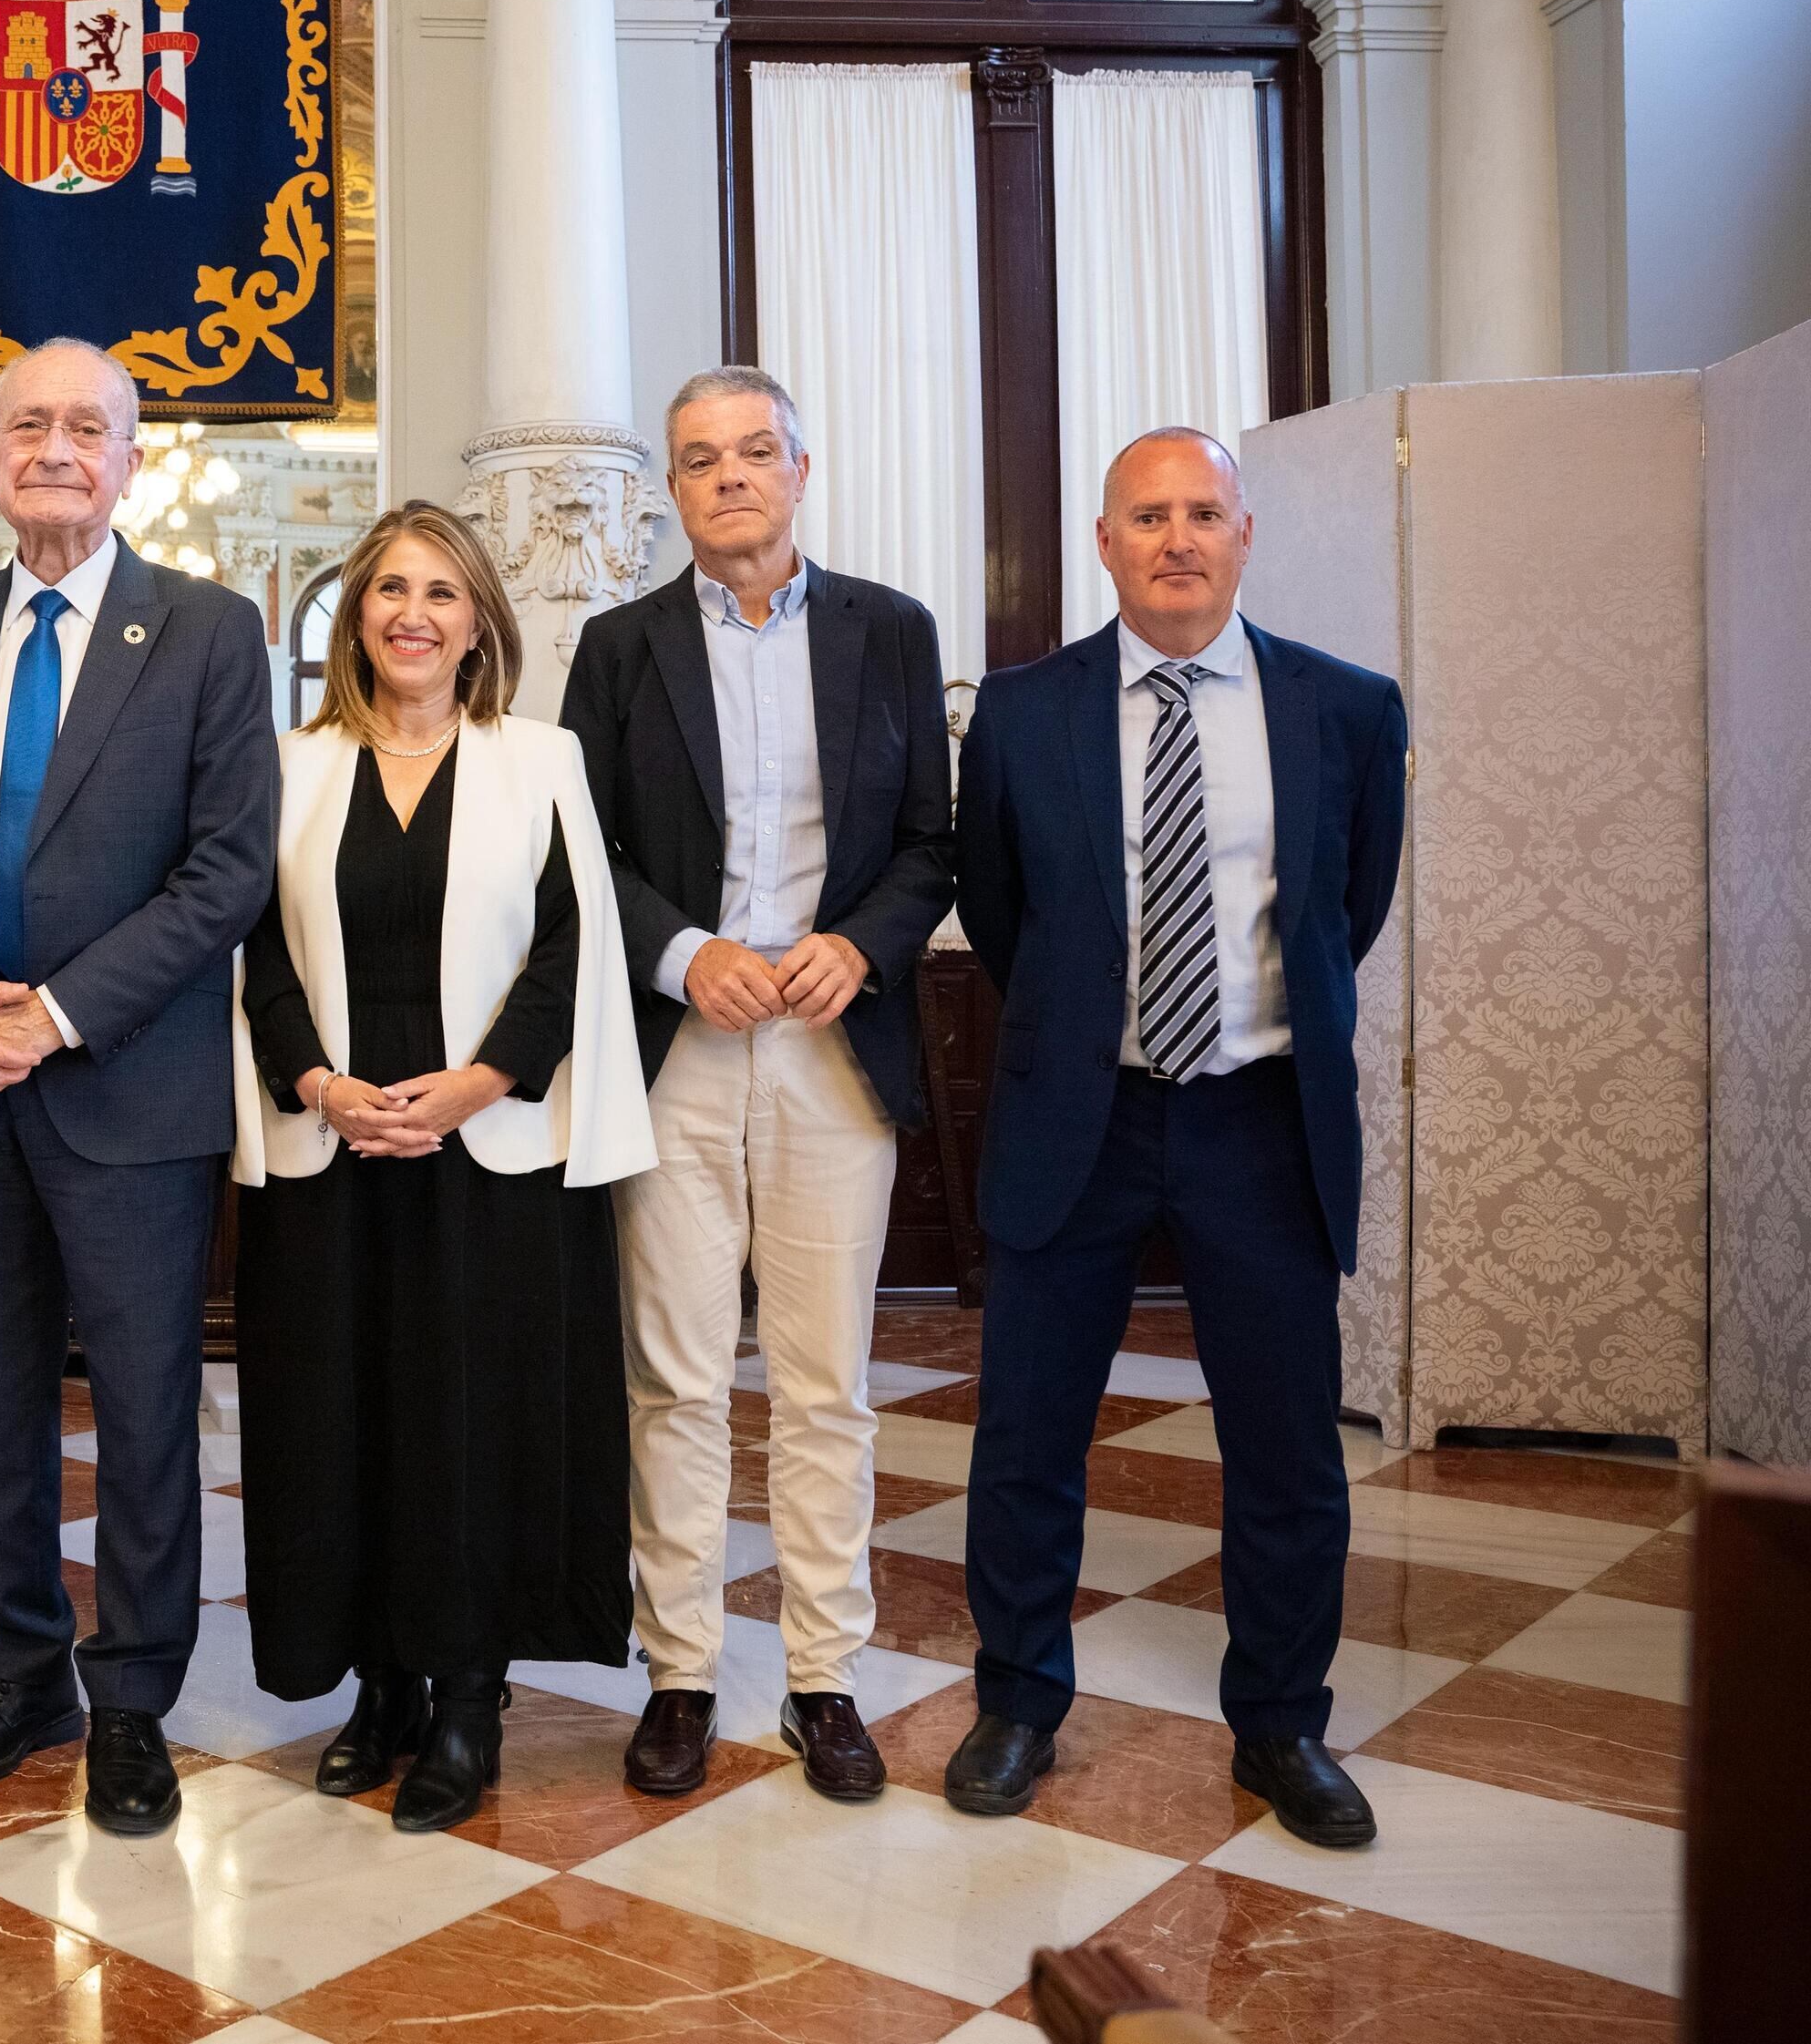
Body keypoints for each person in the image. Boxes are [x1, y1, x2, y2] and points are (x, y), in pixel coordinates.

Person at [949, 426, 1406, 1848]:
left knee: (1286, 1450)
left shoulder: (1348, 707)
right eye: (1148, 514)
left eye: (1204, 511)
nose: (1177, 538)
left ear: (1246, 532)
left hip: (1259, 1119)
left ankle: (1280, 1727)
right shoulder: (1022, 712)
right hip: (1079, 1114)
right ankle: (1019, 1698)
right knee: (1030, 1431)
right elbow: (1004, 910)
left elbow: (1349, 905)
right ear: (1104, 542)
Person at [0, 336, 277, 1835]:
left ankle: (138, 1695)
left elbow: (227, 871)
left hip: (130, 1093)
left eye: (85, 425)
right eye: (25, 423)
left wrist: (64, 1010)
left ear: (132, 459)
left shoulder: (212, 634)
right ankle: (25, 1666)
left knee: (149, 1406)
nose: (53, 446)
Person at [559, 366, 956, 1805]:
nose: (727, 476)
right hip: (678, 1055)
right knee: (673, 1376)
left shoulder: (891, 632)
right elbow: (583, 849)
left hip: (833, 1051)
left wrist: (859, 943)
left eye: (752, 451)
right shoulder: (616, 647)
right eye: (697, 459)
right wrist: (679, 951)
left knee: (824, 1380)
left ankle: (822, 1676)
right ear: (672, 489)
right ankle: (678, 1671)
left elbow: (932, 843)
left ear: (802, 464)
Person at [231, 501, 653, 1833]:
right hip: (334, 1147)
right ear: (356, 614)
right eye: (389, 589)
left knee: (479, 1426)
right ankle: (380, 1687)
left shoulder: (541, 758)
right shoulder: (291, 768)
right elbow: (257, 956)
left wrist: (472, 1086)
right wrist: (319, 1083)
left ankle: (470, 1694)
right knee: (341, 1423)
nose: (413, 612)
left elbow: (572, 949)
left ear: (480, 622)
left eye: (442, 592)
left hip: (493, 1153)